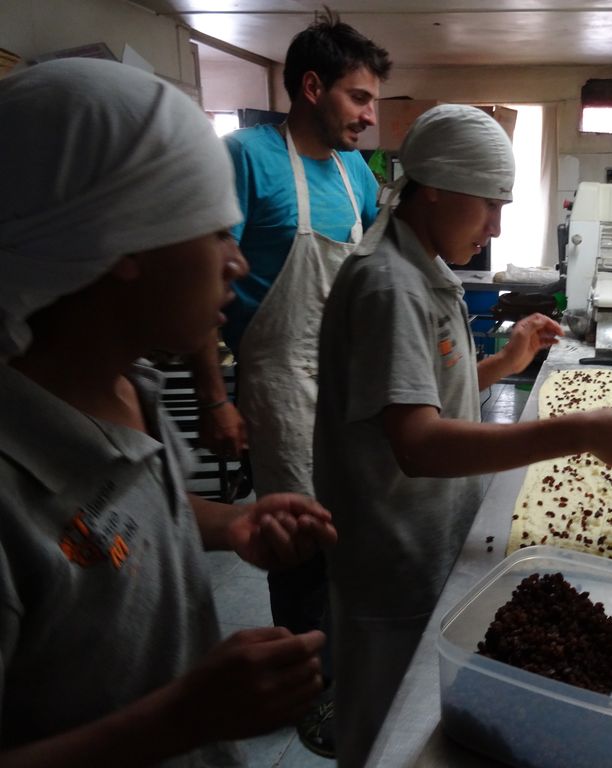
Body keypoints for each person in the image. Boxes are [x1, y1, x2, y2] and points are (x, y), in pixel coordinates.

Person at [314, 104, 612, 767]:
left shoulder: (421, 269)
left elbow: (416, 395)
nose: (496, 227)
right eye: (488, 205)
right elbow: (418, 444)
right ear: (433, 188)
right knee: (384, 741)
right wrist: (582, 431)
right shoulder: (389, 285)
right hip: (393, 566)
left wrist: (504, 364)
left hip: (433, 545)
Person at [0, 58, 338, 766]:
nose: (237, 263)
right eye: (215, 233)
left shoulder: (129, 391)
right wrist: (183, 718)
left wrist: (228, 523)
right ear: (123, 241)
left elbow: (115, 524)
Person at [187, 15, 392, 755]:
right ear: (311, 87)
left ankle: (345, 667)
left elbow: (370, 275)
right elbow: (201, 285)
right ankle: (309, 687)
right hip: (278, 377)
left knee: (354, 534)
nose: (370, 118)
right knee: (299, 542)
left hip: (349, 380)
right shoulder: (245, 158)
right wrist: (215, 397)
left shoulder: (355, 174)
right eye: (359, 98)